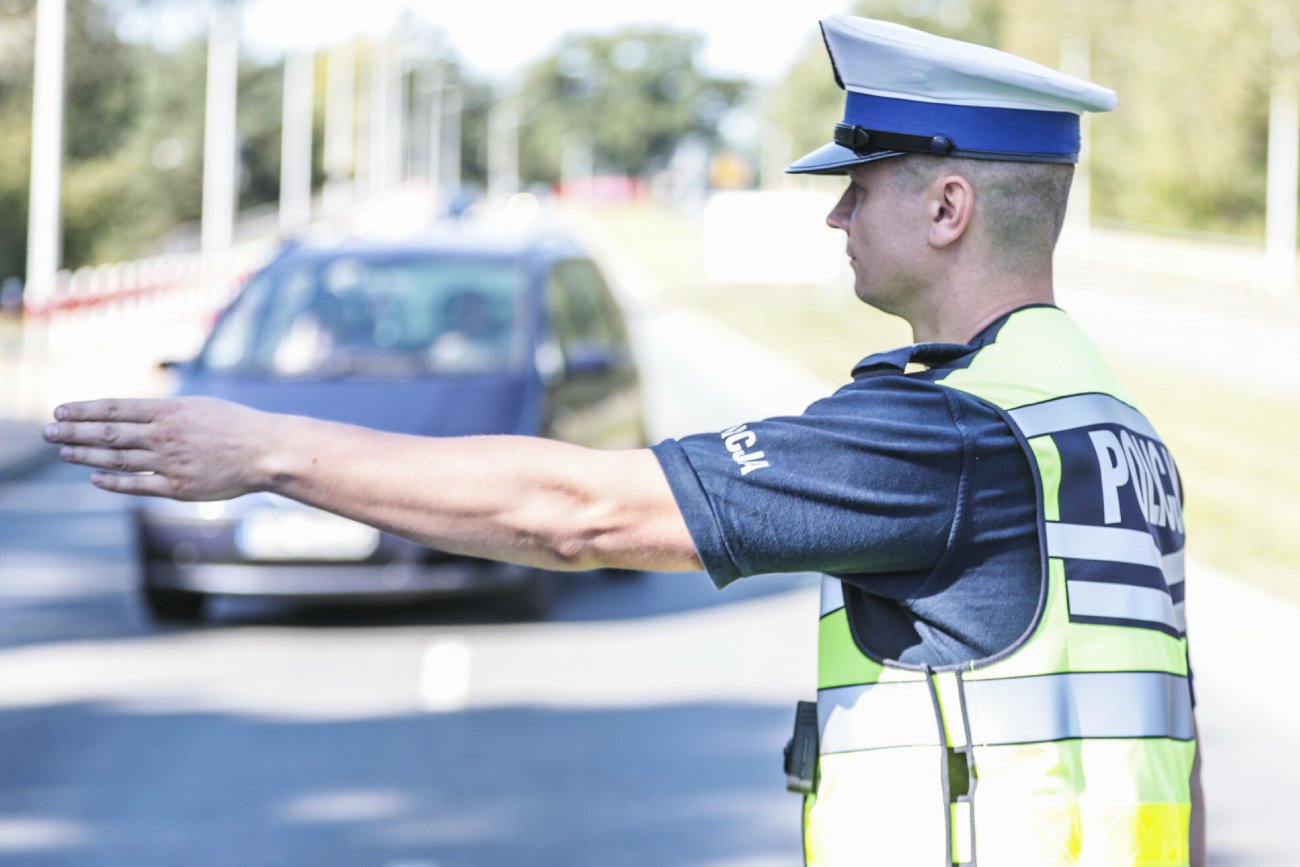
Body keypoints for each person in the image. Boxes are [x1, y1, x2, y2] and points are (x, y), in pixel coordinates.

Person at [43, 15, 1201, 867]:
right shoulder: (1101, 418)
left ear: (947, 209)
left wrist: (266, 450)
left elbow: (581, 513)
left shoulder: (941, 432)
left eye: (861, 186)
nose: (836, 215)